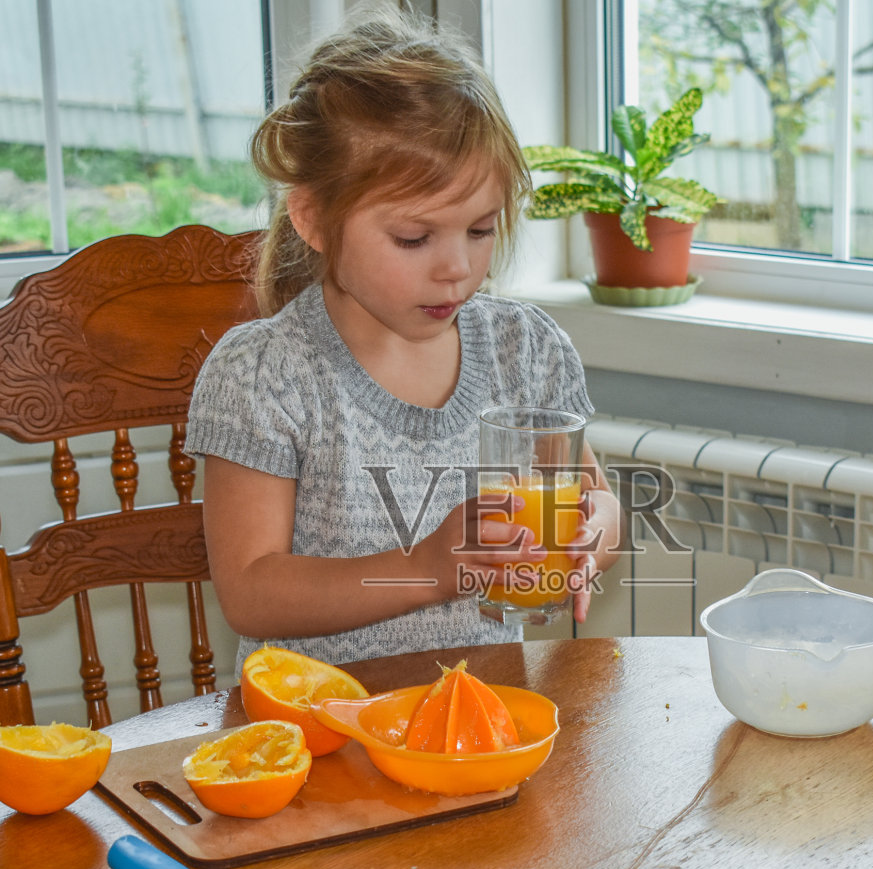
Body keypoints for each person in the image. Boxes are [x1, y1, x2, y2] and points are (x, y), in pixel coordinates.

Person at [186, 13, 621, 672]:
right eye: (414, 238)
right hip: (321, 731)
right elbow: (250, 590)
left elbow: (598, 497)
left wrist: (593, 536)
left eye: (479, 230)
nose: (456, 267)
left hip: (480, 721)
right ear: (313, 219)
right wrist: (426, 568)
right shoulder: (264, 373)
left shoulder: (523, 348)